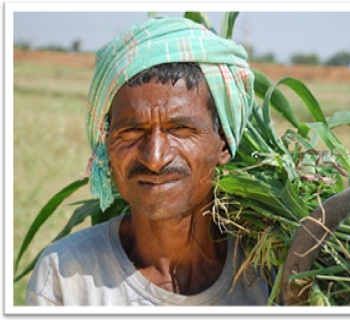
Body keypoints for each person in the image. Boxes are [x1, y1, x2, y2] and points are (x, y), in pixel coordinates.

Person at [25, 16, 270, 306]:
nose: (154, 158)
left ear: (224, 143)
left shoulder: (272, 272)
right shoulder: (66, 277)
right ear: (106, 146)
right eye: (131, 130)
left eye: (180, 129)